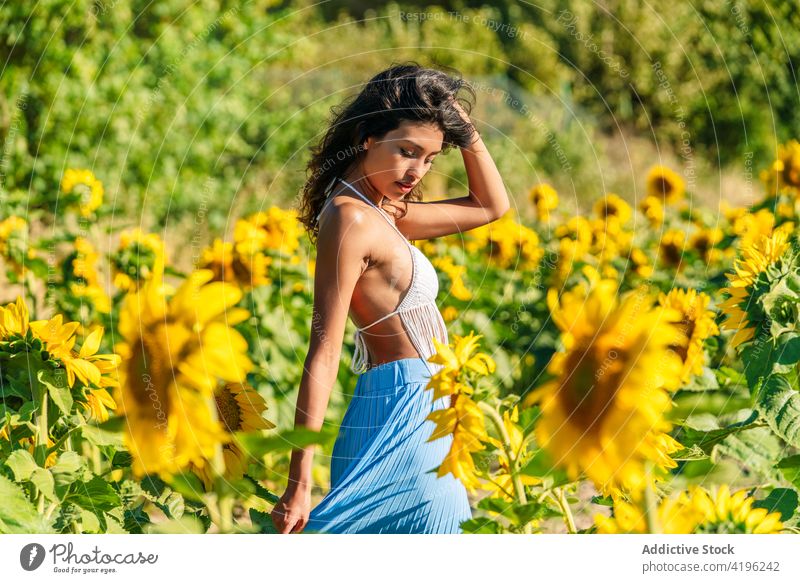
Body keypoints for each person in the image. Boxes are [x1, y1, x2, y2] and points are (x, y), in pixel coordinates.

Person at [271, 62, 510, 534]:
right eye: (406, 151)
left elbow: (491, 207)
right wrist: (299, 480)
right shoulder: (351, 219)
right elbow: (325, 349)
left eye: (430, 158)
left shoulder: (384, 212)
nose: (416, 171)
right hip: (403, 407)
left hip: (425, 404)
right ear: (366, 137)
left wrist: (462, 124)